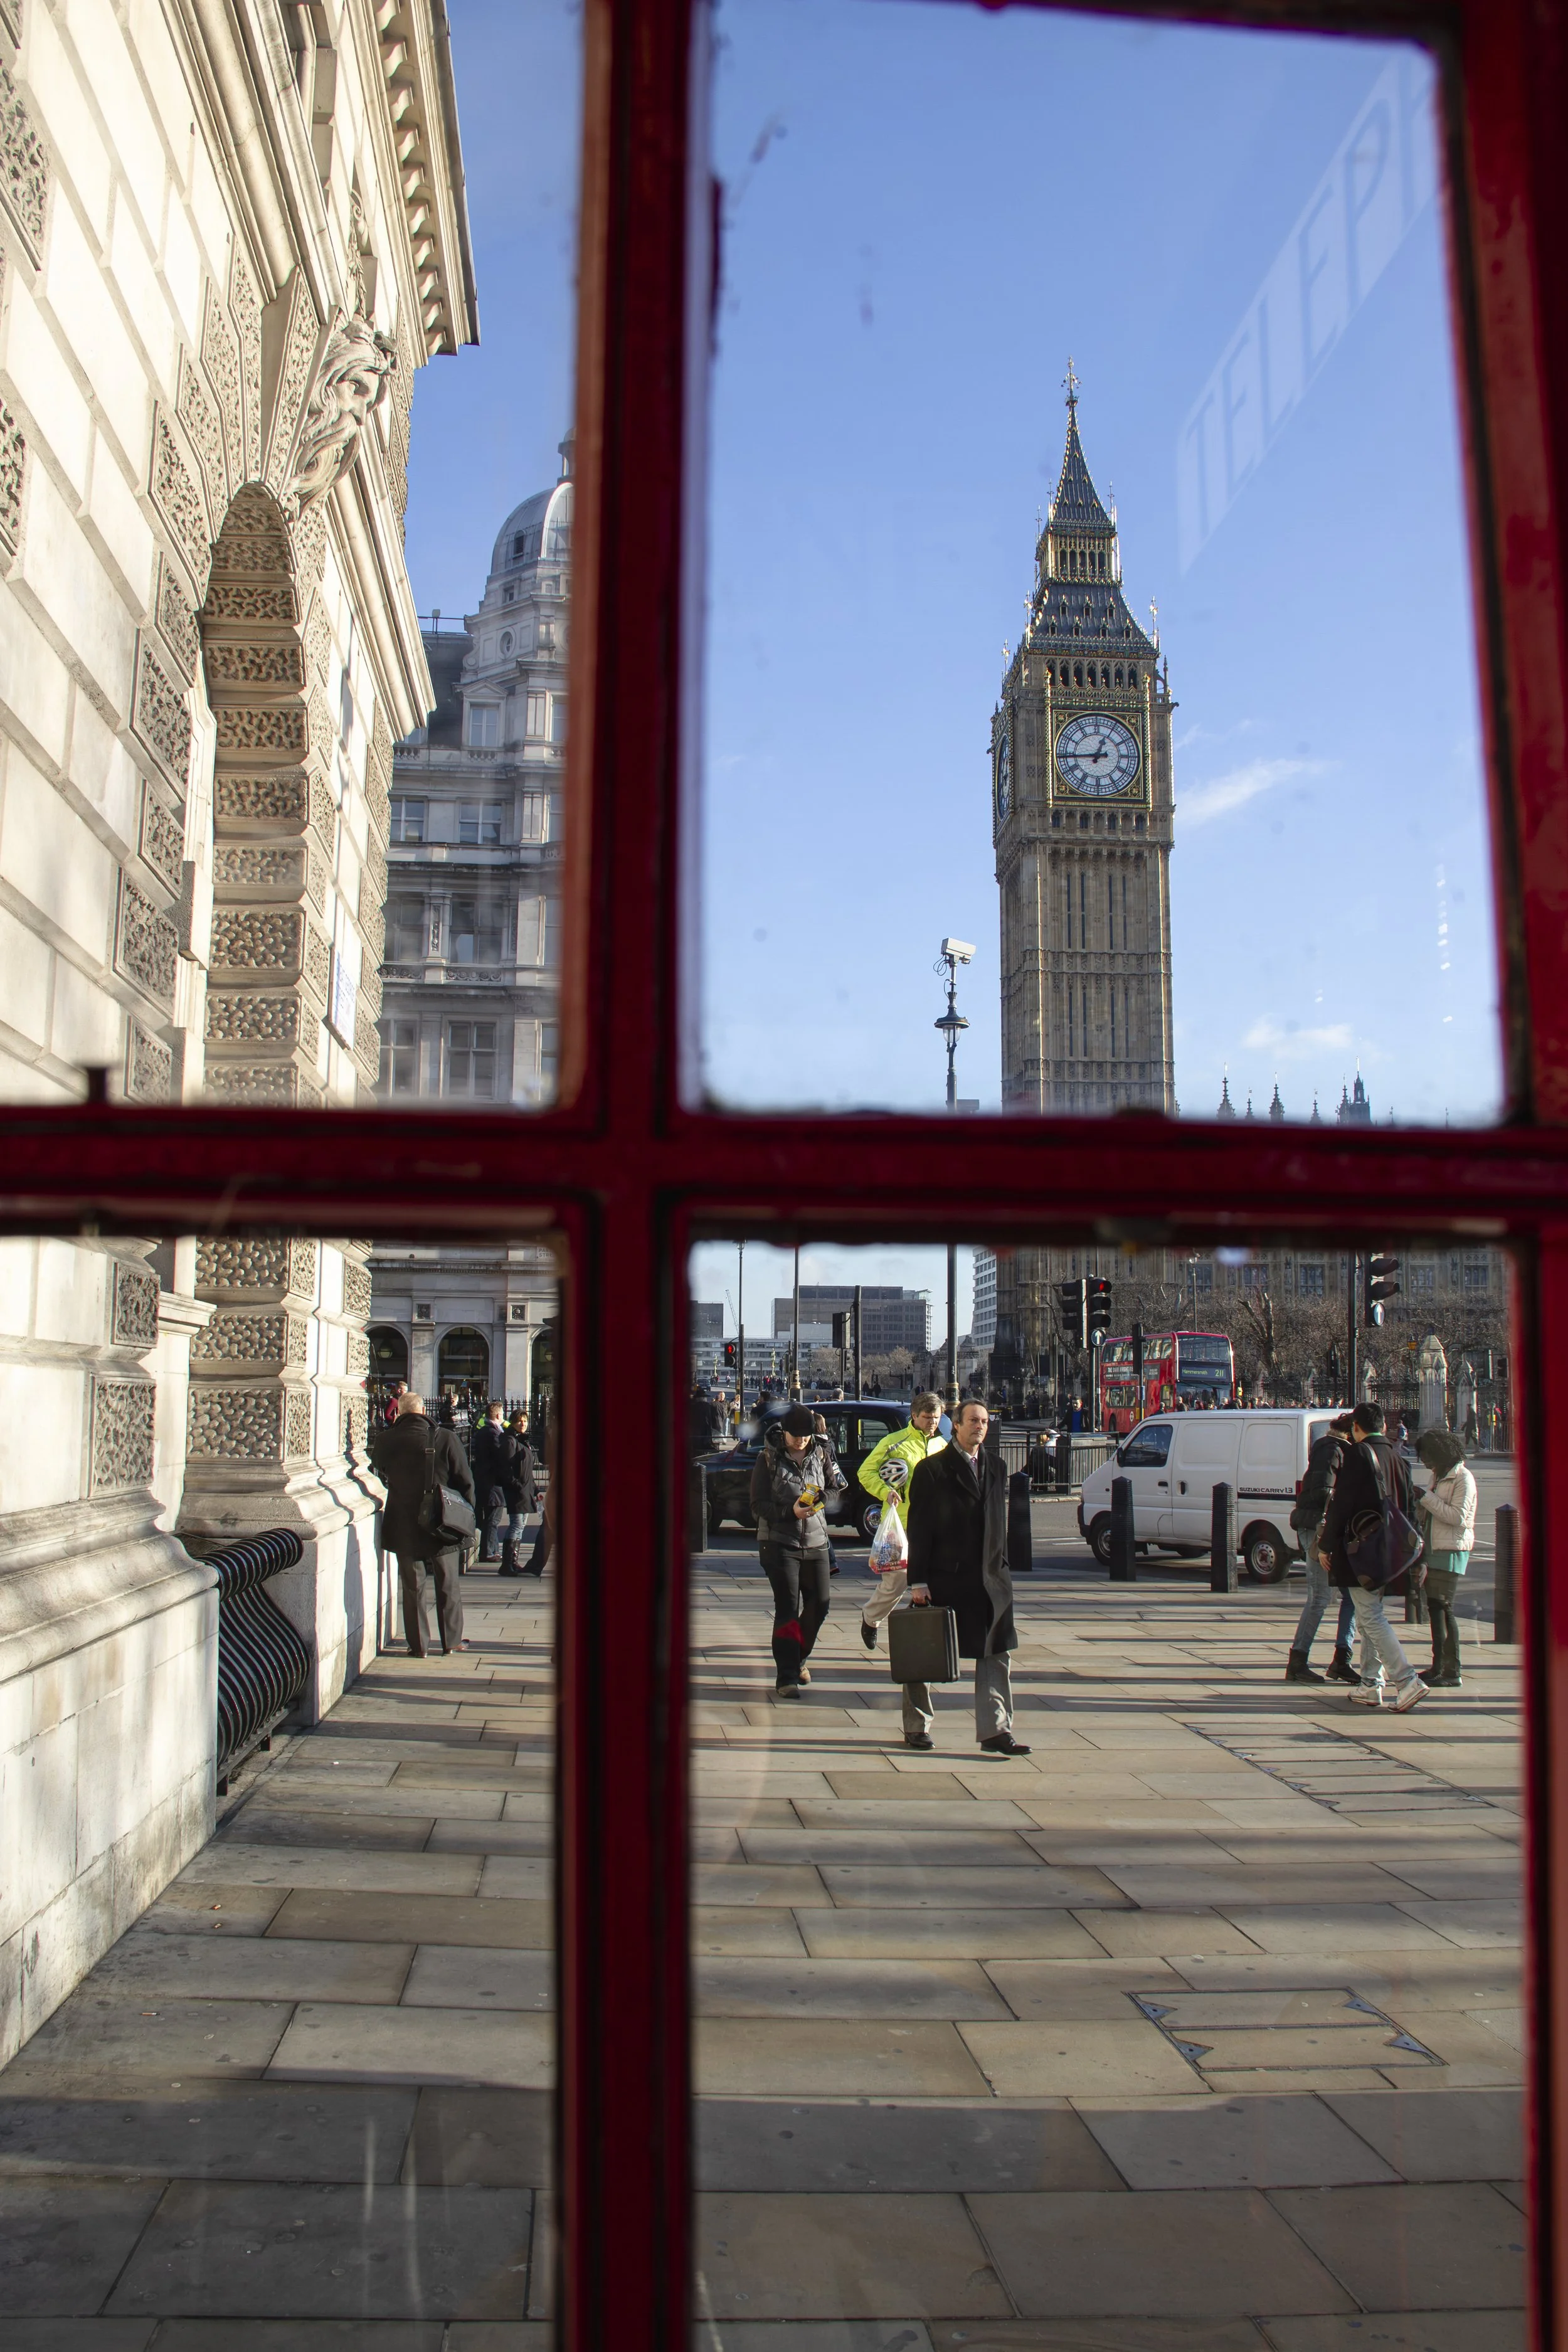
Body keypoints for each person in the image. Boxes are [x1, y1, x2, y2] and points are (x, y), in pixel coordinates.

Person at [904, 1399, 1029, 1757]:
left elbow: (999, 1523)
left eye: (985, 1421)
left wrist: (1003, 1566)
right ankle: (917, 1725)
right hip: (947, 1577)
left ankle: (996, 1730)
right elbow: (920, 1528)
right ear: (955, 1425)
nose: (980, 1426)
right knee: (926, 1652)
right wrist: (918, 1581)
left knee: (997, 1652)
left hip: (991, 1581)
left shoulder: (998, 1466)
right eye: (973, 1420)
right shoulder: (932, 1470)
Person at [1320, 1402, 1426, 1712]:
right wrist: (1418, 1557)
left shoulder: (1357, 1455)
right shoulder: (1398, 1458)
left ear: (1357, 1428)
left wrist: (1326, 1545)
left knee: (1370, 1616)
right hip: (1390, 1549)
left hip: (1361, 1549)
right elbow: (1410, 1513)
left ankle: (1406, 1680)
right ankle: (1370, 1683)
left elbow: (1341, 1506)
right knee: (1371, 1614)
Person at [373, 1390, 476, 1656]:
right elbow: (465, 1480)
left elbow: (380, 1469)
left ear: (400, 1412)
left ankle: (418, 1645)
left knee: (413, 1586)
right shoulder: (446, 1438)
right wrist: (465, 1513)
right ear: (423, 1411)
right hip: (441, 1521)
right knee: (447, 1583)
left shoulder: (385, 1439)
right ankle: (451, 1641)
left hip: (402, 1522)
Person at [756, 1402, 846, 1696]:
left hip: (817, 1541)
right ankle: (787, 1678)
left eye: (805, 1437)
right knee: (788, 1609)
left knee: (820, 1604)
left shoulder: (821, 1452)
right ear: (785, 1433)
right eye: (796, 1437)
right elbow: (758, 1506)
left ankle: (798, 1658)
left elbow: (836, 1488)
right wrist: (791, 1512)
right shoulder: (768, 1457)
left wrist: (822, 1497)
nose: (801, 1441)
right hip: (780, 1542)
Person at [856, 1391, 946, 1653]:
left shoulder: (943, 1446)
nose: (932, 1423)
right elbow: (866, 1471)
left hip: (932, 1526)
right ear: (915, 1416)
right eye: (927, 1417)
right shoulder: (894, 1442)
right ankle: (871, 1619)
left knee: (929, 1581)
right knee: (897, 1580)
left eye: (937, 1418)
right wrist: (886, 1491)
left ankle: (918, 1624)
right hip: (900, 1525)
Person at [1285, 1412, 1359, 1685]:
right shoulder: (1333, 1451)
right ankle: (1298, 1661)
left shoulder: (1332, 1449)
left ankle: (1342, 1658)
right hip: (1318, 1529)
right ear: (1351, 1432)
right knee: (1319, 1597)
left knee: (1350, 1594)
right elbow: (1323, 1493)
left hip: (1324, 1528)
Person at [1416, 1429, 1478, 1687]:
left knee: (1444, 1608)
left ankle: (1453, 1670)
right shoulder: (1439, 1475)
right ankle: (1438, 1665)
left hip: (1450, 1550)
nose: (1425, 1463)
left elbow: (1457, 1517)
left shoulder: (1463, 1478)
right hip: (1433, 1548)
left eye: (1428, 1457)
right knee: (1435, 1609)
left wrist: (1426, 1498)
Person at [472, 1400, 517, 1564]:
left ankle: (493, 1549)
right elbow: (502, 1455)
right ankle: (488, 1552)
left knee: (489, 1518)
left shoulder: (484, 1431)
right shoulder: (493, 1433)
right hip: (492, 1482)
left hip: (484, 1479)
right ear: (499, 1415)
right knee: (493, 1519)